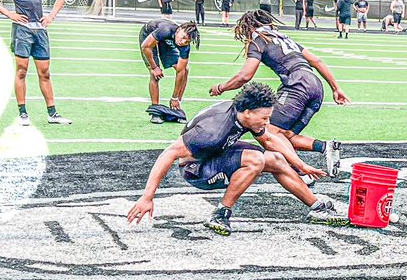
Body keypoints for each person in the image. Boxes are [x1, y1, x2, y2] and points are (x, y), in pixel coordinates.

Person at [126, 82, 349, 235]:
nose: (267, 121)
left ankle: (317, 208)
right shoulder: (212, 130)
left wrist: (300, 164)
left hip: (217, 153)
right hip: (198, 169)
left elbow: (270, 140)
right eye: (265, 117)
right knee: (256, 160)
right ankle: (220, 214)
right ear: (249, 112)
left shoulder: (243, 116)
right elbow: (170, 154)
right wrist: (147, 196)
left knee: (276, 160)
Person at [210, 10, 349, 177]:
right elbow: (316, 61)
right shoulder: (284, 37)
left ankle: (299, 173)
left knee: (266, 131)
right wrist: (336, 88)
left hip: (297, 84)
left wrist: (221, 87)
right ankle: (324, 147)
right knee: (284, 135)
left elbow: (244, 76)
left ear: (251, 26)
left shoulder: (259, 40)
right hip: (316, 85)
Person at [139, 18, 201, 123]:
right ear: (179, 30)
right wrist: (154, 67)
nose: (183, 42)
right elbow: (145, 47)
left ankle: (175, 107)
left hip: (166, 40)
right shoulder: (165, 30)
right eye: (183, 37)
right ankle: (155, 110)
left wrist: (175, 97)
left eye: (187, 41)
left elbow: (181, 71)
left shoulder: (185, 46)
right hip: (148, 37)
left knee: (185, 70)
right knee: (155, 75)